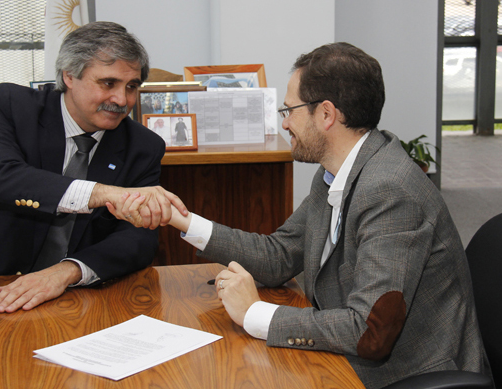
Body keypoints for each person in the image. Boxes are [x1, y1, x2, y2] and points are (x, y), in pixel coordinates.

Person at [110, 43, 491, 389]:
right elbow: (280, 256)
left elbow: (370, 332)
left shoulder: (390, 191)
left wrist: (255, 313)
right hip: (355, 357)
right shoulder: (337, 171)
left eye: (289, 110)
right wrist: (180, 219)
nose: (285, 122)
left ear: (326, 114)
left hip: (408, 374)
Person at [0, 21, 186, 314]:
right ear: (69, 76)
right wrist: (102, 194)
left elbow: (138, 238)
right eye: (108, 83)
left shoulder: (143, 146)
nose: (122, 100)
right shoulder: (12, 106)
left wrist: (67, 271)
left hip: (75, 297)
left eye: (131, 87)